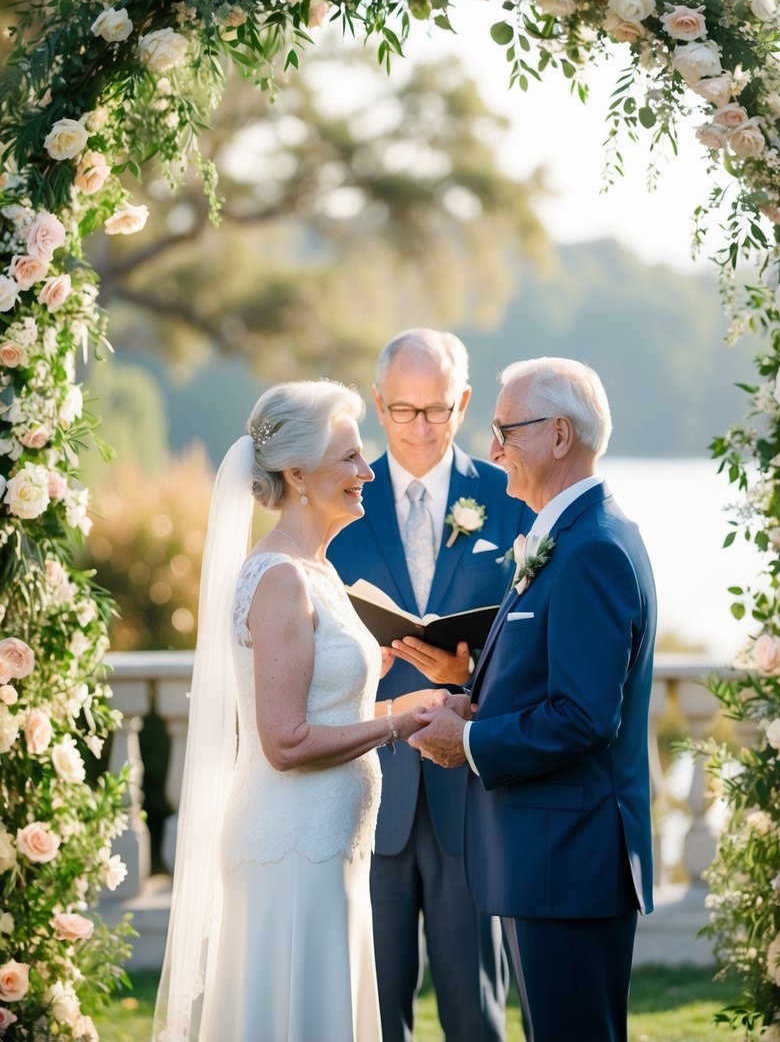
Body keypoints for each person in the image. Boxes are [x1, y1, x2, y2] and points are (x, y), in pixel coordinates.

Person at [152, 380, 447, 1042]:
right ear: (296, 473)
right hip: (289, 847)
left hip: (330, 845)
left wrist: (392, 682)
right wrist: (397, 721)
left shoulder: (318, 570)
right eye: (348, 458)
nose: (367, 472)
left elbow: (322, 700)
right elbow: (285, 742)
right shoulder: (280, 577)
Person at [411, 356, 657, 1042]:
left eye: (504, 431)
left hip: (568, 865)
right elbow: (554, 683)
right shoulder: (573, 537)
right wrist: (468, 691)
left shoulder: (591, 550)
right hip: (550, 860)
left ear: (557, 436)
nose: (491, 451)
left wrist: (464, 742)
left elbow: (583, 717)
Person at [328, 329, 528, 1042]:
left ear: (464, 403)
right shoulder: (339, 499)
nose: (419, 428)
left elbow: (536, 643)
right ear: (378, 406)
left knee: (475, 1011)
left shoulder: (508, 500)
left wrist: (468, 672)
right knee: (372, 1012)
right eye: (403, 410)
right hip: (362, 788)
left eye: (436, 410)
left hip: (469, 794)